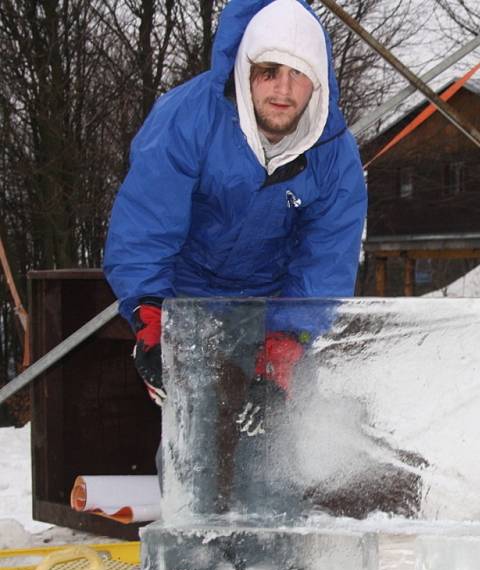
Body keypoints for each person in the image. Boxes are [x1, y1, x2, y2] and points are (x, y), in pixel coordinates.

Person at [103, 0, 367, 405]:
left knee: (277, 444)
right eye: (269, 71)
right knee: (193, 439)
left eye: (299, 73)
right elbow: (146, 226)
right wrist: (153, 316)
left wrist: (288, 342)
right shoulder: (188, 118)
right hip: (183, 298)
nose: (283, 89)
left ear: (317, 82)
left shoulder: (335, 156)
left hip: (272, 308)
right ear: (246, 71)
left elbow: (326, 260)